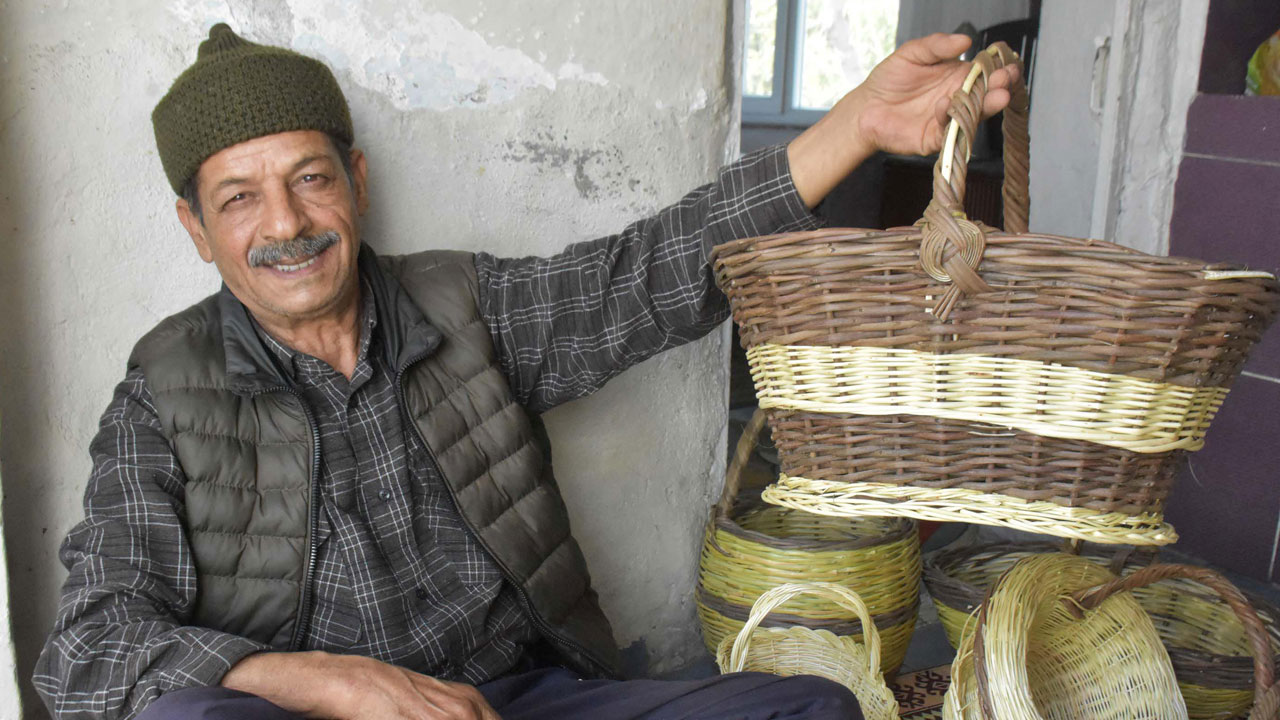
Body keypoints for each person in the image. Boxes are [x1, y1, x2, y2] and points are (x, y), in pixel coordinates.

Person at [32, 22, 1016, 720]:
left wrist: (855, 126)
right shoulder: (165, 398)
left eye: (309, 179)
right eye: (239, 199)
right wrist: (321, 681)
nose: (284, 224)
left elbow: (647, 277)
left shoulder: (460, 307)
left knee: (805, 707)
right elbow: (87, 647)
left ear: (357, 182)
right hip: (313, 718)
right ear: (196, 231)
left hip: (516, 700)